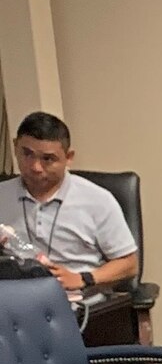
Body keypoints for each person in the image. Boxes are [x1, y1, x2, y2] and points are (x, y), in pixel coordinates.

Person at [7, 112, 139, 301]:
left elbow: (129, 264)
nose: (35, 166)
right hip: (14, 310)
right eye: (27, 154)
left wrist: (82, 279)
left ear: (68, 157)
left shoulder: (97, 200)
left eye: (47, 159)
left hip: (79, 309)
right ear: (15, 147)